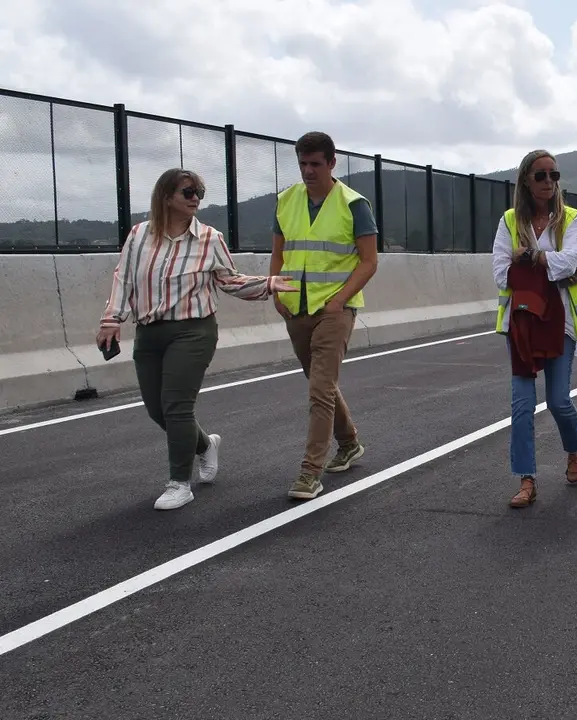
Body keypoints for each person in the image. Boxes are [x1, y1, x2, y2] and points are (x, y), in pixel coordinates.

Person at [98, 168, 297, 511]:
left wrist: (267, 283)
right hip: (149, 332)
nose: (195, 199)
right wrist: (111, 319)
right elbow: (124, 279)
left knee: (177, 406)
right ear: (166, 196)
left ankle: (179, 483)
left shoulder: (210, 238)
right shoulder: (139, 235)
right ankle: (205, 445)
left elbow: (229, 280)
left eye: (200, 193)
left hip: (193, 331)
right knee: (157, 409)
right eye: (188, 191)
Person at [491, 149, 577, 509]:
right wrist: (546, 263)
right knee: (522, 405)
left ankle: (574, 450)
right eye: (540, 175)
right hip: (521, 323)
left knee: (557, 401)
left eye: (554, 175)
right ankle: (526, 480)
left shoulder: (572, 219)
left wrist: (531, 257)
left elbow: (572, 260)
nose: (548, 182)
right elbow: (499, 272)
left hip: (562, 324)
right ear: (526, 179)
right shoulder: (509, 221)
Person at [269, 131, 379, 501]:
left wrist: (339, 301)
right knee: (322, 385)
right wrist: (276, 290)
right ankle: (349, 443)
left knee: (319, 390)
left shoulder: (353, 204)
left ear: (332, 163)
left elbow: (369, 261)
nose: (308, 171)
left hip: (335, 309)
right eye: (302, 163)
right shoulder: (286, 201)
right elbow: (279, 253)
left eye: (315, 163)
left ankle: (309, 472)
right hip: (295, 308)